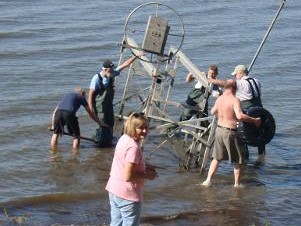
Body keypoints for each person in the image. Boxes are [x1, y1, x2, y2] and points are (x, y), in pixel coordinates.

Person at [201, 80, 261, 187]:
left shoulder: (220, 98)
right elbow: (240, 116)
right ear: (235, 88)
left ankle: (208, 180)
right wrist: (254, 120)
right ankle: (237, 184)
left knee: (217, 158)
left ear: (226, 87)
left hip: (219, 130)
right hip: (230, 132)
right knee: (238, 159)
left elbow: (213, 112)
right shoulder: (235, 100)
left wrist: (223, 112)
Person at [105, 112, 158, 226]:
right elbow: (128, 176)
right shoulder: (133, 147)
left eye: (146, 127)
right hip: (128, 195)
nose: (145, 131)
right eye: (140, 128)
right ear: (133, 128)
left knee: (115, 223)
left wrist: (144, 165)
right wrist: (148, 175)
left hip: (114, 189)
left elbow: (125, 161)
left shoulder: (123, 138)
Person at [209, 64, 265, 165]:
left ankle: (245, 158)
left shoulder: (241, 83)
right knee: (260, 134)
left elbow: (226, 83)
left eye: (236, 75)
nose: (235, 77)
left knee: (243, 134)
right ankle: (261, 157)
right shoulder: (256, 81)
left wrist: (212, 81)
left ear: (240, 73)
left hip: (247, 111)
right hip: (260, 110)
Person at [88, 53, 144, 130]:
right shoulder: (96, 79)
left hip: (109, 105)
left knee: (111, 123)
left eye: (112, 70)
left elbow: (125, 64)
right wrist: (91, 111)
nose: (112, 72)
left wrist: (136, 56)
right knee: (102, 125)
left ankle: (109, 138)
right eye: (110, 70)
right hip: (100, 107)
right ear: (104, 69)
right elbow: (90, 97)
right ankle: (101, 140)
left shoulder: (112, 73)